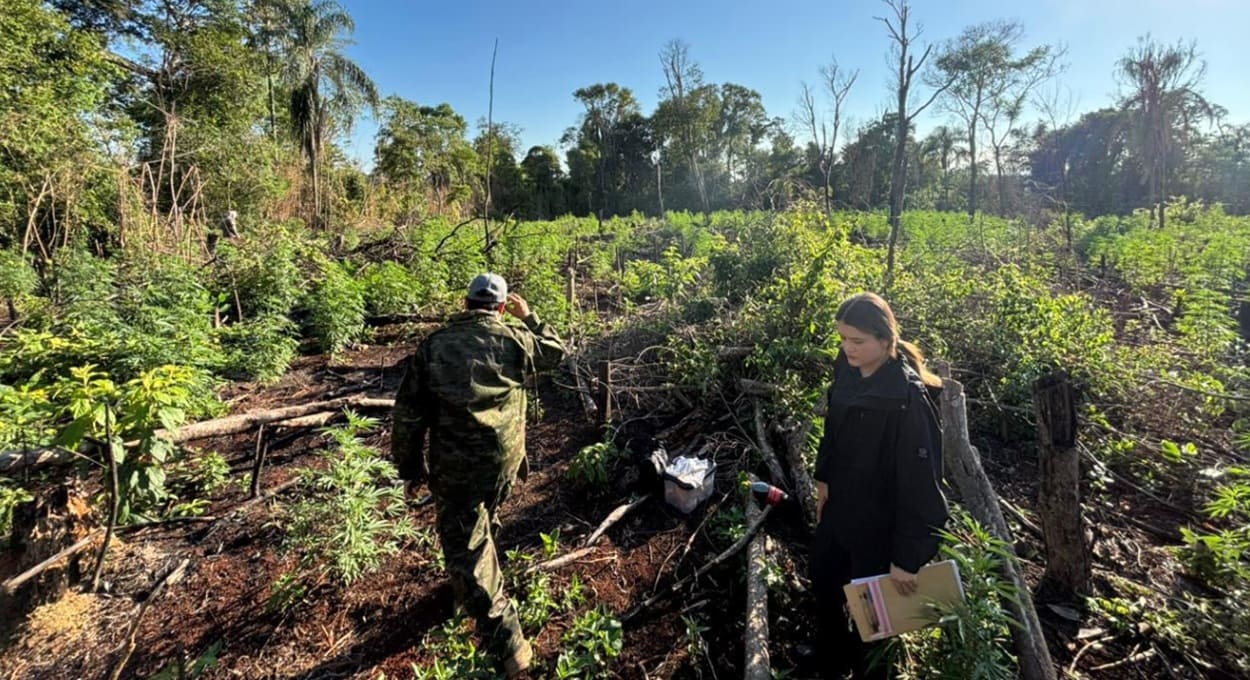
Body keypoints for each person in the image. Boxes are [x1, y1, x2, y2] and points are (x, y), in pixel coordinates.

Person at [391, 273, 566, 678]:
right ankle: (468, 585)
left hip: (458, 473)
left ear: (465, 302)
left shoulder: (434, 346)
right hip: (504, 464)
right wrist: (532, 317)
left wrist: (410, 468)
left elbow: (408, 414)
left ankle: (510, 643)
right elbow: (556, 352)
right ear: (502, 307)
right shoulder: (516, 339)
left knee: (467, 549)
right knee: (483, 525)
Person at [810, 292, 948, 679]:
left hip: (879, 524)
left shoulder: (907, 399)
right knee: (823, 579)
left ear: (886, 341)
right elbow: (832, 432)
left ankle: (867, 670)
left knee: (871, 615)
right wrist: (823, 478)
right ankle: (831, 659)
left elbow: (922, 482)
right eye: (842, 339)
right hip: (841, 510)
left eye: (857, 341)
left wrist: (908, 556)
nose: (847, 348)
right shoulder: (847, 370)